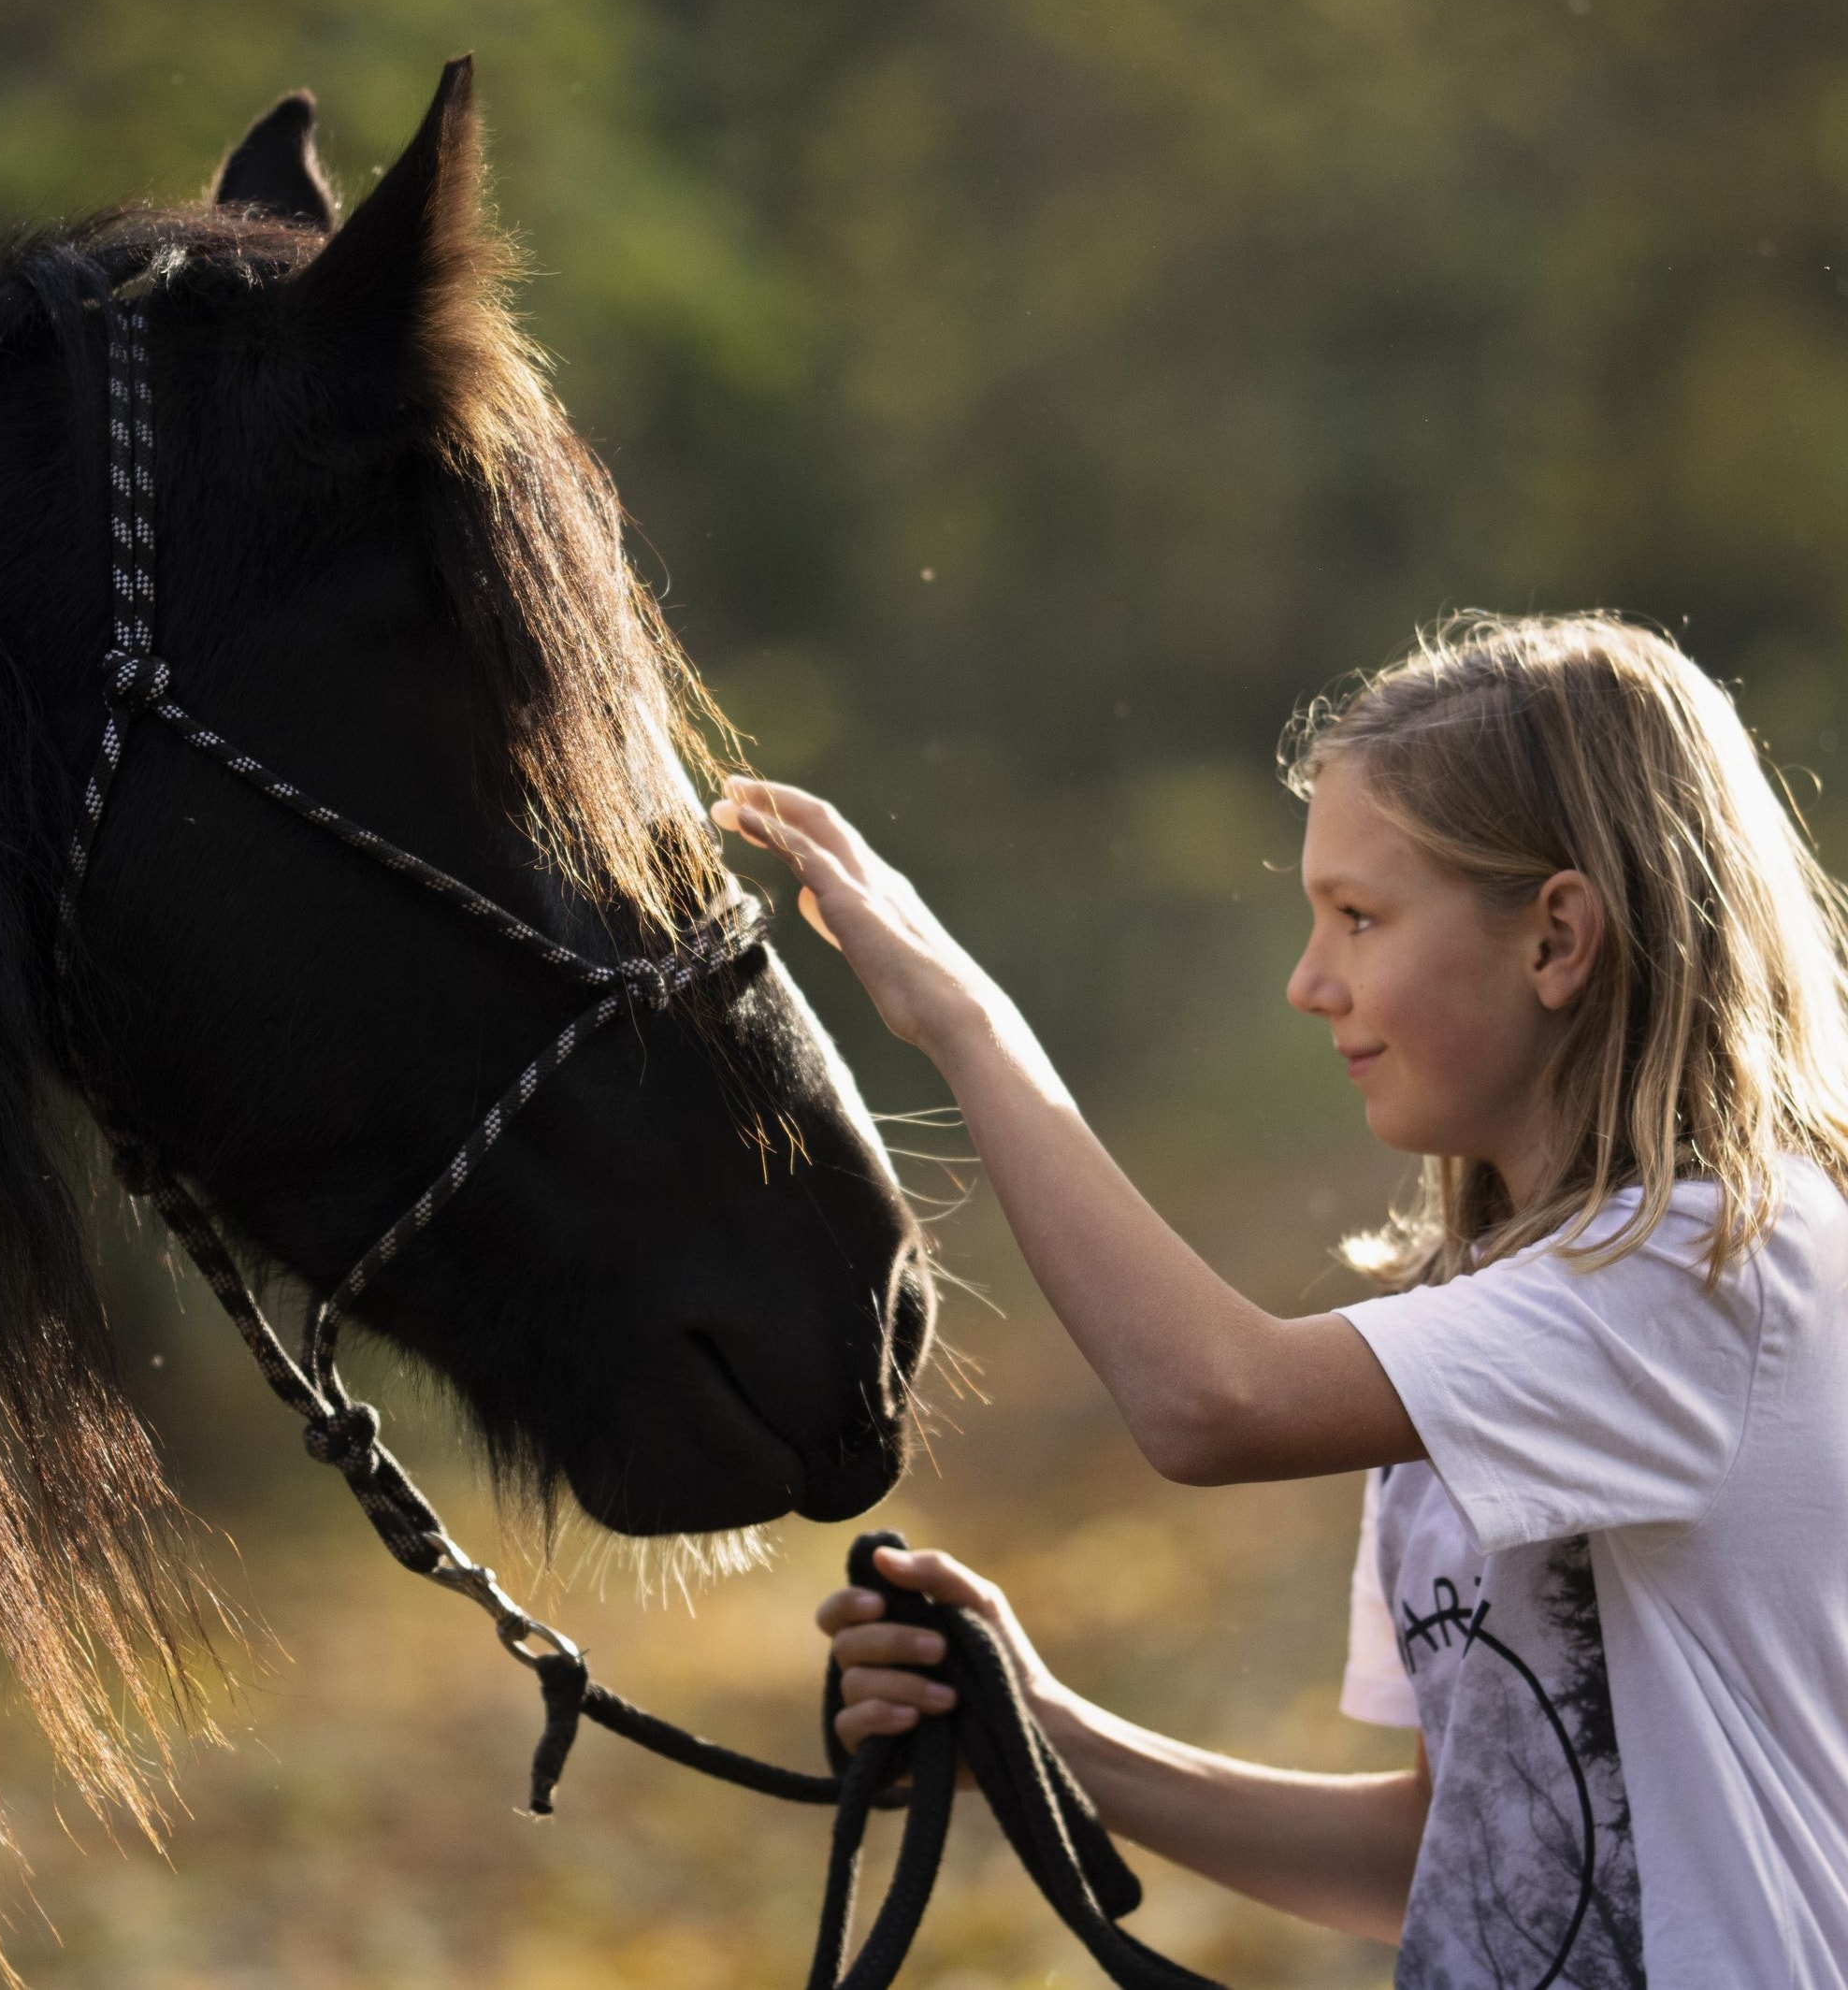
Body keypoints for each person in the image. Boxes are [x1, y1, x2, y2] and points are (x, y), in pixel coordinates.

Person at [711, 613, 1848, 1989]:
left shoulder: (1712, 1265)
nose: (1311, 983)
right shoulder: (1480, 1321)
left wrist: (967, 1021)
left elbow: (1211, 1400)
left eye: (1360, 917)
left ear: (1558, 937)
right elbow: (1453, 1846)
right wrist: (1050, 1728)